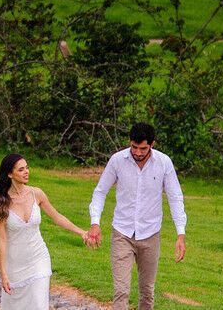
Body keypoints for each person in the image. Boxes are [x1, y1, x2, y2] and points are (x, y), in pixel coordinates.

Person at [86, 122, 187, 310]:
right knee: (121, 291)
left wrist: (180, 234)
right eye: (134, 147)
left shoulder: (164, 163)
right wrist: (95, 223)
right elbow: (100, 192)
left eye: (143, 148)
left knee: (147, 291)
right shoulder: (117, 160)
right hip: (122, 233)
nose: (138, 152)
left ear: (152, 145)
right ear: (129, 142)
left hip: (150, 234)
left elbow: (175, 197)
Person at [0, 153, 89, 309]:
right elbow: (2, 239)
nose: (26, 172)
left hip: (38, 259)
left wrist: (81, 232)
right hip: (15, 265)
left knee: (38, 304)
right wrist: (3, 273)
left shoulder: (36, 193)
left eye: (27, 167)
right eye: (21, 169)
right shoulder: (1, 203)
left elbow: (57, 217)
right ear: (10, 174)